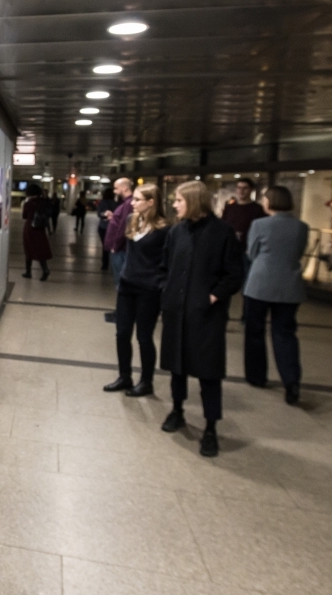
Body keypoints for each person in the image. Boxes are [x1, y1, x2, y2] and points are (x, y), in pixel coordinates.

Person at [159, 181, 245, 458]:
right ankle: (177, 410)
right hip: (176, 311)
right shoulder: (176, 232)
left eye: (179, 200)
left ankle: (210, 427)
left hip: (206, 315)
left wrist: (211, 297)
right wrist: (167, 290)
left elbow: (234, 274)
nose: (174, 205)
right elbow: (165, 266)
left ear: (194, 201)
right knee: (177, 366)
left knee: (209, 372)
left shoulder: (222, 233)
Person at [243, 186, 309, 405]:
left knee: (255, 331)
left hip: (260, 284)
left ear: (270, 201)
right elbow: (298, 253)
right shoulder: (301, 227)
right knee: (285, 334)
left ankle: (256, 376)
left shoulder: (260, 225)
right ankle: (291, 382)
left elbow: (251, 253)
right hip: (290, 286)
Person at [103, 184, 169, 397]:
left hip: (149, 289)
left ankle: (146, 381)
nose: (133, 202)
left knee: (144, 336)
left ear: (151, 202)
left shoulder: (164, 230)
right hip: (127, 285)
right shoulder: (133, 220)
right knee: (122, 333)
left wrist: (161, 284)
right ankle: (124, 376)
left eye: (138, 199)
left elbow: (168, 262)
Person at [102, 178, 135, 321]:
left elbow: (123, 227)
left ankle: (123, 313)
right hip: (120, 248)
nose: (115, 191)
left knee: (121, 282)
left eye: (116, 188)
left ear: (124, 187)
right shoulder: (125, 204)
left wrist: (116, 245)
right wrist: (113, 217)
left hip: (120, 250)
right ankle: (122, 311)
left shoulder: (128, 204)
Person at [221, 177, 267, 250]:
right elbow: (223, 226)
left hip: (248, 249)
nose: (241, 191)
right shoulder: (229, 208)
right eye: (239, 188)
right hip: (230, 248)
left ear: (251, 190)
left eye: (245, 188)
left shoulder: (258, 209)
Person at [21, 184, 52, 281]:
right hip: (40, 228)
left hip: (30, 228)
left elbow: (24, 216)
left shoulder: (28, 203)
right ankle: (45, 269)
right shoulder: (44, 202)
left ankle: (28, 272)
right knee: (41, 249)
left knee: (28, 248)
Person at [96, 187, 118, 271]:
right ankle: (112, 263)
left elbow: (99, 214)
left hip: (103, 227)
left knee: (105, 246)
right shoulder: (115, 204)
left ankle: (105, 264)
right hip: (112, 227)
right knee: (112, 246)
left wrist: (104, 215)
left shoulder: (102, 203)